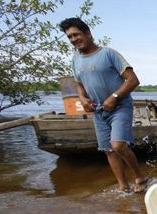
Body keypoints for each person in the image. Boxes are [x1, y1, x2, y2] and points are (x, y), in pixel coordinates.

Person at [59, 17, 148, 193]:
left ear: (88, 33)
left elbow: (133, 80)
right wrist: (83, 99)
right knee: (108, 150)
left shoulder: (108, 54)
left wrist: (114, 96)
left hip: (120, 107)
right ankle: (123, 187)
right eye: (69, 37)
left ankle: (140, 177)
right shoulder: (75, 59)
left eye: (76, 34)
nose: (73, 39)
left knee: (118, 145)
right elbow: (79, 84)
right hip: (98, 111)